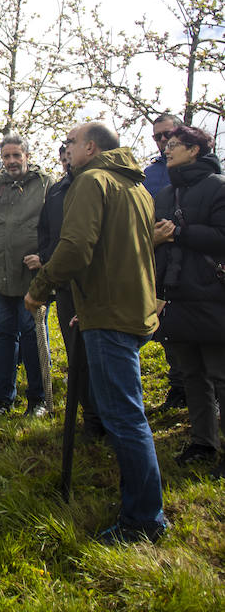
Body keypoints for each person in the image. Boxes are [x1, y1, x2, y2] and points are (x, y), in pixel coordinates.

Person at [25, 121, 167, 545]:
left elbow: (74, 248)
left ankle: (144, 520)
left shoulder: (92, 181)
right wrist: (84, 310)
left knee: (125, 418)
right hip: (124, 308)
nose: (65, 150)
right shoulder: (137, 188)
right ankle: (140, 505)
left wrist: (39, 289)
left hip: (110, 316)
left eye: (69, 143)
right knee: (128, 413)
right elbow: (122, 252)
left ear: (89, 147)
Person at [154, 125, 225, 471]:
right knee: (192, 374)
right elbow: (154, 243)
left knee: (220, 374)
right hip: (176, 296)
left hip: (212, 295)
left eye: (175, 144)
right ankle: (203, 443)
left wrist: (178, 234)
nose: (167, 148)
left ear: (195, 149)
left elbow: (222, 236)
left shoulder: (218, 188)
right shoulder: (166, 194)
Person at [28, 142, 105, 442]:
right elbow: (47, 234)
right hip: (66, 285)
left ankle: (110, 417)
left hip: (98, 283)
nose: (67, 162)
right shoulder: (58, 192)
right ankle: (91, 418)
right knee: (77, 353)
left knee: (102, 352)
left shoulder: (98, 185)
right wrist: (49, 262)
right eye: (63, 158)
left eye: (70, 156)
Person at [0, 134, 50, 418]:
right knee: (4, 337)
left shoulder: (45, 185)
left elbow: (57, 228)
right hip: (0, 278)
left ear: (27, 156)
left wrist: (45, 257)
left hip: (32, 278)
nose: (12, 161)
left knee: (34, 338)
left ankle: (38, 399)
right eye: (6, 157)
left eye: (17, 155)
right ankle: (2, 400)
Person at [143, 111, 188, 412]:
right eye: (157, 136)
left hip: (191, 255)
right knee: (167, 325)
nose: (162, 142)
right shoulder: (150, 173)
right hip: (158, 255)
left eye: (166, 135)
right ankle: (178, 387)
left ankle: (201, 392)